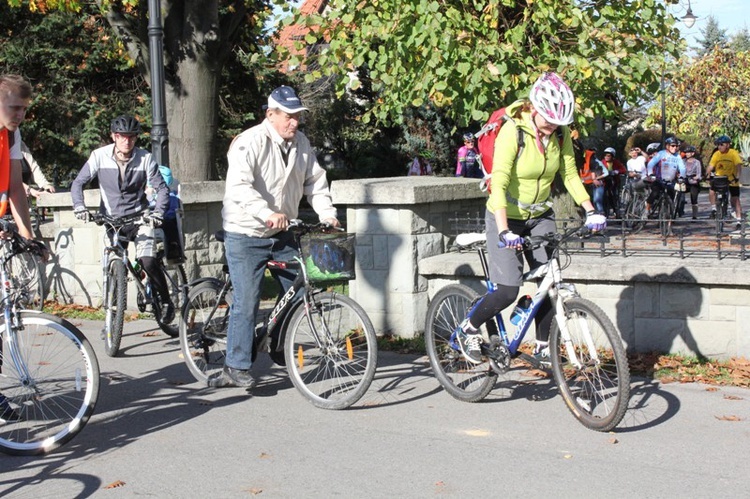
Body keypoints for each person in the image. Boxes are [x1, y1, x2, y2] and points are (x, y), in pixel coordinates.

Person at [455, 72, 605, 365]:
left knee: (550, 282)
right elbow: (498, 183)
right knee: (508, 289)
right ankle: (468, 329)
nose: (553, 127)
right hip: (505, 215)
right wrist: (503, 231)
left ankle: (542, 347)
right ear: (534, 108)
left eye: (559, 122)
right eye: (549, 120)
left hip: (540, 214)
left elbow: (570, 175)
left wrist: (590, 209)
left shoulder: (559, 135)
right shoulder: (514, 131)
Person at [214, 85, 339, 388]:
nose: (294, 122)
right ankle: (235, 365)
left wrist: (327, 214)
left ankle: (278, 343)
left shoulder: (301, 144)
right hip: (247, 231)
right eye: (288, 116)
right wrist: (265, 212)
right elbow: (239, 188)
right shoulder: (249, 142)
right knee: (248, 299)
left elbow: (315, 183)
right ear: (271, 114)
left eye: (297, 116)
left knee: (298, 291)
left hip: (281, 230)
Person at [70, 115, 174, 323]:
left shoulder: (145, 158)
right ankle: (111, 319)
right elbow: (78, 183)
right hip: (112, 221)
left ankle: (165, 301)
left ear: (136, 139)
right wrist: (79, 206)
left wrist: (157, 214)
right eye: (121, 136)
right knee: (112, 265)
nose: (127, 141)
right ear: (113, 136)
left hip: (139, 219)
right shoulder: (98, 156)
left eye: (131, 137)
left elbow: (162, 189)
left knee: (147, 260)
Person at [0, 74, 46, 422]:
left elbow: (16, 187)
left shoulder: (11, 135)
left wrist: (28, 235)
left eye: (25, 110)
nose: (20, 115)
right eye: (15, 107)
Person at [706, 135, 743, 228]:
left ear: (728, 145)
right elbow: (710, 166)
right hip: (719, 178)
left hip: (732, 178)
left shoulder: (733, 153)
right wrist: (707, 174)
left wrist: (738, 176)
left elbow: (738, 165)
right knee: (711, 191)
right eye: (718, 145)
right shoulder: (717, 154)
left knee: (735, 199)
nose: (719, 146)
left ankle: (738, 220)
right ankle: (714, 209)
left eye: (721, 144)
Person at [645, 136, 686, 217]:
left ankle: (669, 222)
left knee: (673, 199)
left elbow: (682, 168)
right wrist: (651, 174)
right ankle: (646, 210)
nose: (675, 148)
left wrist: (682, 177)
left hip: (670, 182)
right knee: (655, 193)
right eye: (673, 145)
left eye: (676, 146)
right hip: (659, 180)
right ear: (667, 146)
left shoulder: (677, 156)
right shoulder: (661, 154)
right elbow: (650, 164)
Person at [579, 148, 608, 214]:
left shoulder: (596, 162)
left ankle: (601, 217)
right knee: (588, 202)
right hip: (587, 184)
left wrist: (596, 179)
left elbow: (606, 173)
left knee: (597, 201)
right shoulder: (583, 162)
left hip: (597, 184)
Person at [601, 147, 626, 218]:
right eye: (605, 155)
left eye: (608, 156)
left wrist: (617, 171)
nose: (606, 157)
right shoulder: (602, 162)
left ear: (612, 156)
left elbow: (623, 169)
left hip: (614, 182)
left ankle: (616, 212)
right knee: (604, 196)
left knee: (614, 196)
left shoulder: (616, 162)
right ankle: (605, 212)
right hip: (604, 182)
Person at [682, 145, 703, 220]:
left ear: (692, 153)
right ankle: (677, 210)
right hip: (684, 181)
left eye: (688, 152)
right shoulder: (683, 161)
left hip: (693, 182)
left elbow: (699, 174)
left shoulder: (697, 162)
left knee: (693, 197)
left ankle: (695, 215)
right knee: (678, 192)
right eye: (686, 152)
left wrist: (695, 178)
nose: (687, 154)